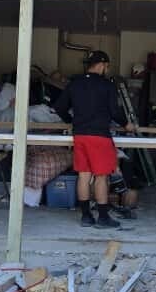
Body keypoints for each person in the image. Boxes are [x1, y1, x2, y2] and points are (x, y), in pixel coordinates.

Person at [53, 51, 136, 228]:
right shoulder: (107, 85)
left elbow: (59, 107)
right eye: (107, 66)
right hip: (99, 137)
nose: (107, 69)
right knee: (101, 177)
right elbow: (114, 111)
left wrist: (72, 121)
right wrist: (126, 124)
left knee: (83, 176)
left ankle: (86, 216)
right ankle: (103, 218)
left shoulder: (75, 83)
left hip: (80, 136)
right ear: (102, 65)